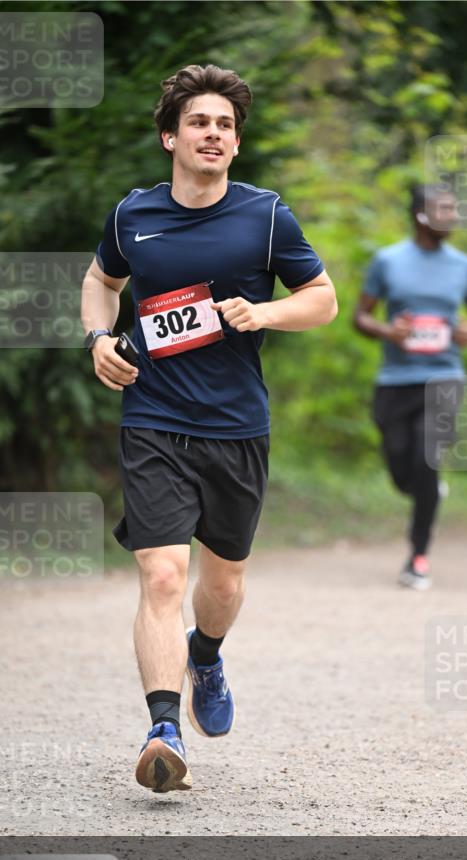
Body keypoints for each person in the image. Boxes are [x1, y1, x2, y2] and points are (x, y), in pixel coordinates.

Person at [80, 65, 337, 793]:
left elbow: (322, 300)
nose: (214, 134)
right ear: (171, 137)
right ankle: (163, 729)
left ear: (235, 142)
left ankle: (208, 655)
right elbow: (102, 281)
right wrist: (98, 340)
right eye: (199, 123)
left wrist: (266, 314)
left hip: (235, 426)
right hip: (154, 417)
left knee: (221, 584)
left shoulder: (264, 218)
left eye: (225, 125)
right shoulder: (134, 215)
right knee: (163, 574)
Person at [353, 184, 467, 590]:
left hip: (445, 377)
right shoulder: (388, 261)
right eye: (444, 209)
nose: (452, 216)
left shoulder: (465, 267)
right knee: (403, 470)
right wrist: (388, 330)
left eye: (454, 209)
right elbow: (361, 318)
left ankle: (418, 555)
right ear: (420, 215)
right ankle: (426, 488)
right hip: (395, 381)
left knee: (427, 458)